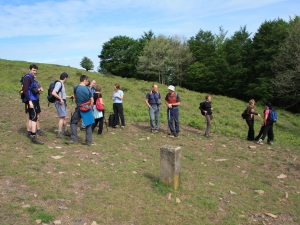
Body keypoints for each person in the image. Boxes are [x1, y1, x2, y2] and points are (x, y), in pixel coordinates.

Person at [66, 75, 94, 146]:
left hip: (79, 108)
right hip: (87, 108)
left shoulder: (76, 87)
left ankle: (74, 138)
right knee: (88, 124)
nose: (88, 82)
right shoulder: (88, 89)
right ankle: (88, 141)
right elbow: (92, 100)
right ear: (84, 80)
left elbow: (75, 96)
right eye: (87, 80)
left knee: (73, 122)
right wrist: (90, 106)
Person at [22, 64, 44, 144]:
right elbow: (25, 90)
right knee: (34, 117)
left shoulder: (30, 78)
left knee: (32, 117)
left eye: (35, 71)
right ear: (30, 70)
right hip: (31, 100)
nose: (34, 72)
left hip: (33, 99)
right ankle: (34, 136)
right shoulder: (27, 77)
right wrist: (29, 101)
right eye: (33, 70)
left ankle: (32, 134)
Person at [51, 72, 72, 138]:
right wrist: (60, 99)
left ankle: (65, 131)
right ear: (65, 78)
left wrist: (69, 97)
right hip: (59, 103)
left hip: (62, 102)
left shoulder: (61, 84)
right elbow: (53, 93)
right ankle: (59, 133)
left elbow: (62, 95)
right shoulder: (59, 83)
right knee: (62, 117)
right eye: (67, 78)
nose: (67, 79)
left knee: (65, 117)